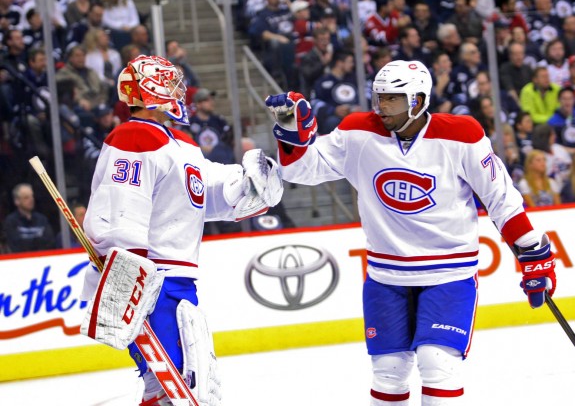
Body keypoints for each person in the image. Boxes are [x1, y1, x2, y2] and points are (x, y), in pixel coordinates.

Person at [265, 60, 556, 405]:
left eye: (393, 99)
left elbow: (501, 199)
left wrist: (534, 252)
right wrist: (289, 130)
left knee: (438, 363)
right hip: (386, 275)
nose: (382, 107)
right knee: (388, 373)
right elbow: (302, 170)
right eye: (380, 98)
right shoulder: (358, 131)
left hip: (449, 272)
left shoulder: (462, 134)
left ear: (418, 101)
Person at [82, 54, 283, 404]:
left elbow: (204, 196)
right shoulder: (134, 137)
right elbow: (119, 211)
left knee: (176, 385)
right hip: (151, 280)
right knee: (172, 387)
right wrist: (130, 280)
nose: (179, 91)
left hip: (177, 281)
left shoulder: (180, 144)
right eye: (170, 84)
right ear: (150, 91)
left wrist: (247, 184)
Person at [3, 183, 55, 253]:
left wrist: (27, 242)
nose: (31, 199)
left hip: (43, 260)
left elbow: (50, 243)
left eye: (32, 196)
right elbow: (16, 246)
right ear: (17, 201)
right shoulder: (11, 221)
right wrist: (38, 241)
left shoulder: (42, 219)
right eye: (26, 197)